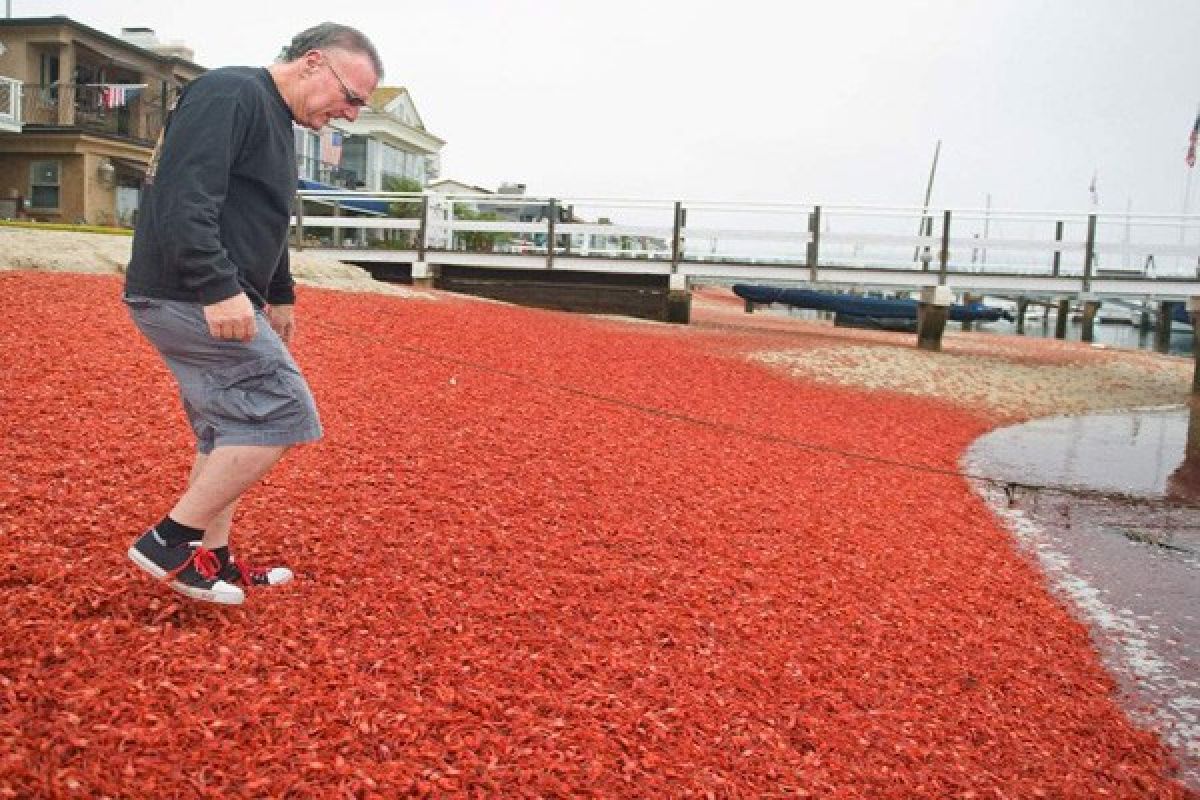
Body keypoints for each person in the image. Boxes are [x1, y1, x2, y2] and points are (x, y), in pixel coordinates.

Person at [125, 23, 383, 605]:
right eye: (353, 97)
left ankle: (209, 562)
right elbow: (182, 196)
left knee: (233, 426)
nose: (350, 115)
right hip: (187, 292)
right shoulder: (230, 93)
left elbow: (263, 216)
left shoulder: (270, 116)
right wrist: (217, 289)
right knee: (284, 411)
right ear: (315, 64)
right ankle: (170, 541)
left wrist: (281, 292)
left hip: (209, 292)